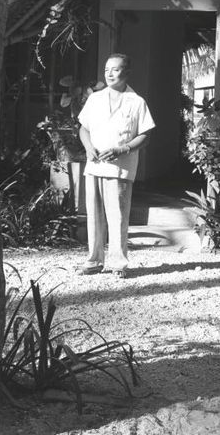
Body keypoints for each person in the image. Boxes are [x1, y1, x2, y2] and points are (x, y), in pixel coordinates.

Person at [77, 53, 155, 278]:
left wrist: (123, 149)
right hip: (94, 164)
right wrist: (88, 146)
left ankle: (118, 264)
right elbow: (84, 128)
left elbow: (146, 135)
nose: (110, 73)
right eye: (106, 69)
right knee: (93, 215)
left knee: (118, 215)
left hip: (120, 166)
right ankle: (93, 261)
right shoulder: (95, 99)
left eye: (116, 69)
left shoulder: (136, 101)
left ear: (127, 72)